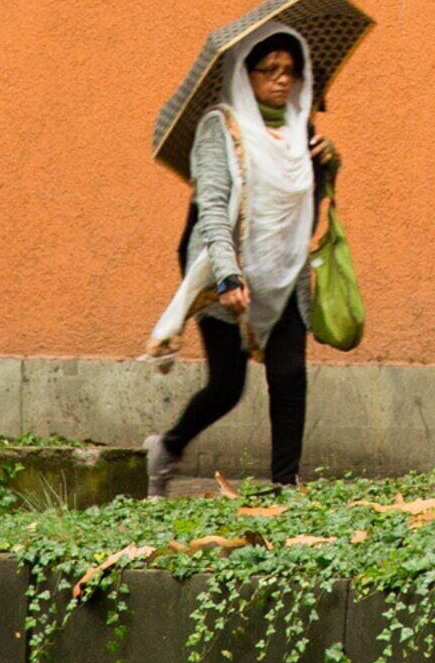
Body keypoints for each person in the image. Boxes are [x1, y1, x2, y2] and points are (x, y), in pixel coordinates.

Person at [142, 31, 338, 493]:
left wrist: (325, 163)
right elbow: (211, 208)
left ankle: (285, 487)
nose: (282, 80)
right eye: (269, 70)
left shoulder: (300, 127)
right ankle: (168, 447)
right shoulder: (219, 128)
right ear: (244, 76)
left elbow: (306, 203)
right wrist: (228, 275)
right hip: (223, 268)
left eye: (290, 70)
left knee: (289, 374)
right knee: (227, 387)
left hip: (283, 269)